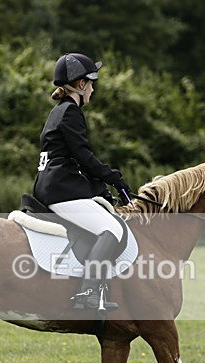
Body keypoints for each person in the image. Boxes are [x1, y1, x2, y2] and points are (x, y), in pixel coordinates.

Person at [33, 53, 131, 311]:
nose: (93, 88)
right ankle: (87, 291)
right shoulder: (71, 113)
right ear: (80, 85)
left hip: (54, 185)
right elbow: (83, 156)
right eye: (91, 82)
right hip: (61, 190)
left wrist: (100, 188)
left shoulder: (58, 111)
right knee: (113, 230)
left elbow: (72, 160)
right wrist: (112, 177)